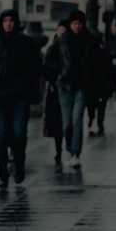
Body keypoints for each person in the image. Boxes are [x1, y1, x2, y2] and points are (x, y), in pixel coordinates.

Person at [0, 9, 40, 187]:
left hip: (19, 96)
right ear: (1, 23)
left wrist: (27, 85)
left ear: (16, 23)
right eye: (5, 20)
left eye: (11, 20)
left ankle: (19, 167)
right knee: (2, 133)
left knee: (19, 133)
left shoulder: (25, 43)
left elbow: (36, 67)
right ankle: (2, 171)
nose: (8, 24)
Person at [44, 9, 108, 169]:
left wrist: (94, 79)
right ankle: (69, 148)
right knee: (67, 123)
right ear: (70, 24)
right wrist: (60, 71)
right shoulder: (62, 40)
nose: (77, 26)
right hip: (65, 86)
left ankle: (75, 153)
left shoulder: (90, 40)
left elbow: (99, 63)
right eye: (74, 23)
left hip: (82, 87)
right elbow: (48, 60)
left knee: (77, 119)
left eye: (79, 23)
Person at [43, 20, 69, 164]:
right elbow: (46, 66)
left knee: (67, 120)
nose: (60, 32)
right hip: (54, 89)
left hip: (67, 87)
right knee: (55, 121)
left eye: (63, 29)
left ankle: (67, 146)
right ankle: (58, 148)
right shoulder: (52, 48)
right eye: (59, 29)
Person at [85, 34, 116, 136]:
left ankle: (97, 121)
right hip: (98, 86)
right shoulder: (94, 56)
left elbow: (111, 73)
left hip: (99, 86)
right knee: (98, 106)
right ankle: (97, 121)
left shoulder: (103, 56)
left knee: (96, 106)